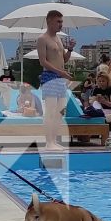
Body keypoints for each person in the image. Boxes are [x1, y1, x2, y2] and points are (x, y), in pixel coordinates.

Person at [34, 9, 70, 149]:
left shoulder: (58, 39)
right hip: (50, 76)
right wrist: (61, 72)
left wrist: (70, 50)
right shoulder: (42, 39)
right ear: (49, 22)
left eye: (62, 22)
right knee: (50, 111)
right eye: (58, 22)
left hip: (60, 77)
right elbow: (43, 62)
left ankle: (54, 141)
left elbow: (63, 60)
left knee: (60, 111)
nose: (61, 24)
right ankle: (48, 142)